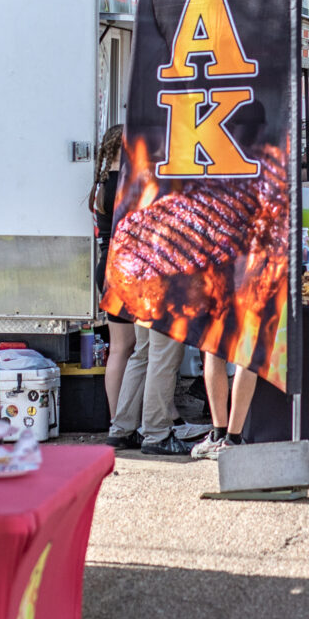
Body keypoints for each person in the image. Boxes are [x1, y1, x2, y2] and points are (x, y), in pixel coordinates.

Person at [92, 127, 189, 456]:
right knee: (163, 353)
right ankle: (158, 432)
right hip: (154, 275)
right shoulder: (148, 183)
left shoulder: (109, 183)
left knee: (140, 351)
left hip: (123, 273)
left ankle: (122, 427)